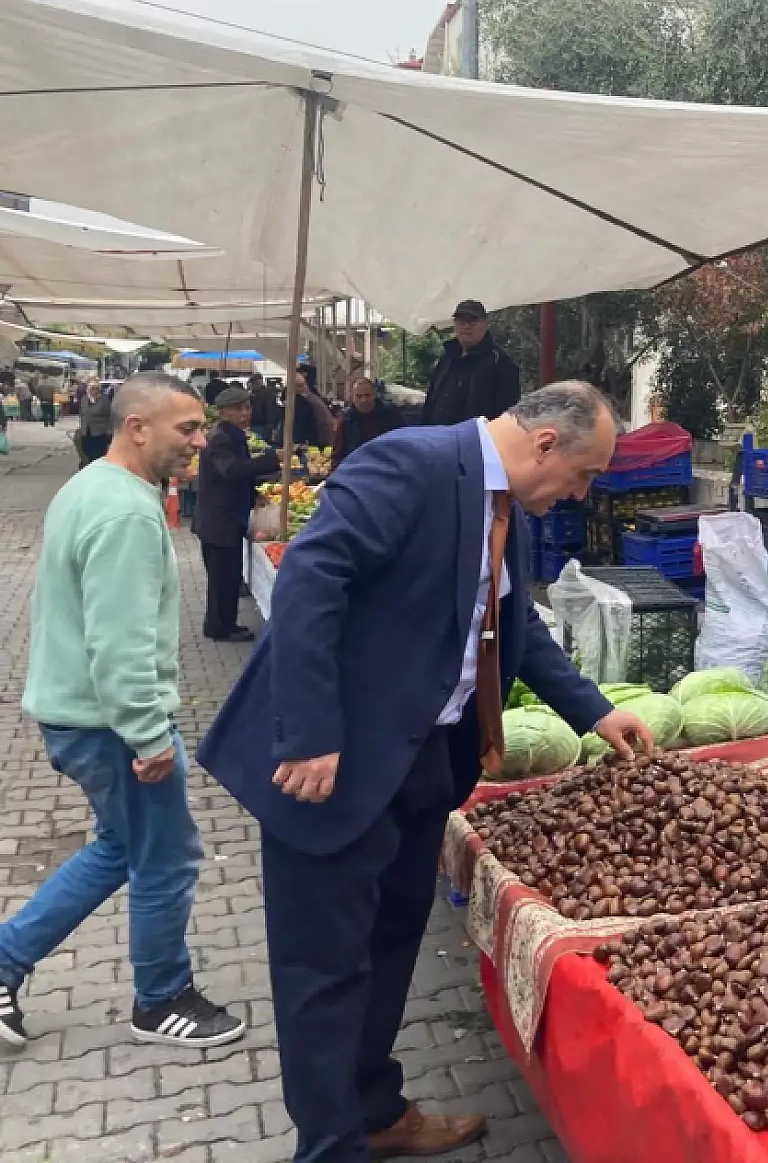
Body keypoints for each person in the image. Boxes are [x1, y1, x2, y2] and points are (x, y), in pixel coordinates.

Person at [197, 382, 656, 1163]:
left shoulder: (504, 504)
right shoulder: (409, 464)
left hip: (419, 768)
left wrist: (593, 709)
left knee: (389, 947)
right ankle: (330, 1147)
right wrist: (308, 732)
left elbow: (508, 621)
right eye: (583, 474)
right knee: (323, 974)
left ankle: (376, 1113)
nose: (580, 493)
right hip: (331, 768)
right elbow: (312, 577)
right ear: (545, 443)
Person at [0, 373, 246, 1052]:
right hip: (109, 724)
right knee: (166, 859)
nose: (199, 441)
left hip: (78, 716)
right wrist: (148, 735)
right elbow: (119, 642)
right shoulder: (128, 513)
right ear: (137, 427)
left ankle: (3, 962)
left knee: (120, 848)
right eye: (187, 429)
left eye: (201, 428)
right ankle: (161, 998)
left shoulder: (90, 487)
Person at [194, 386, 281, 643]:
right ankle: (223, 627)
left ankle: (217, 623)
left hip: (223, 517)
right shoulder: (222, 436)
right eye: (238, 409)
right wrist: (269, 459)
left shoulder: (233, 434)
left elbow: (234, 478)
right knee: (224, 576)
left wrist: (254, 494)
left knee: (226, 575)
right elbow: (231, 471)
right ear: (223, 412)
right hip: (220, 520)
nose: (245, 413)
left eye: (247, 407)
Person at [421, 300, 522, 427]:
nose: (466, 327)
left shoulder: (500, 364)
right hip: (438, 439)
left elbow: (507, 416)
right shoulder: (446, 359)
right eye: (462, 322)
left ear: (485, 324)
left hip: (475, 442)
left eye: (473, 321)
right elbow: (430, 402)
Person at [330, 376, 405, 473]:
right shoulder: (346, 419)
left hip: (386, 470)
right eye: (359, 396)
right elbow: (338, 454)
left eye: (367, 395)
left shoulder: (390, 414)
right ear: (352, 397)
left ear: (374, 395)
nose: (363, 400)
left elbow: (402, 446)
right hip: (356, 472)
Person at [284, 367, 336, 449]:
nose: (304, 386)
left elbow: (304, 424)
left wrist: (304, 443)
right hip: (324, 436)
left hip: (319, 438)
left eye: (303, 384)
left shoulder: (303, 401)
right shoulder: (311, 397)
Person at [80, 381, 115, 466]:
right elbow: (82, 414)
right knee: (87, 452)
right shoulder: (84, 399)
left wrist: (109, 430)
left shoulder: (104, 400)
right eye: (91, 389)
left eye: (95, 389)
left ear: (99, 390)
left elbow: (110, 416)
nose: (93, 391)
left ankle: (98, 468)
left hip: (100, 432)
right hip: (86, 432)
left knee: (98, 454)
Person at [248, 374, 280, 442]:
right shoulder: (270, 394)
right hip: (267, 425)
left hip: (258, 425)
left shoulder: (255, 396)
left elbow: (257, 412)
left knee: (257, 444)